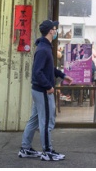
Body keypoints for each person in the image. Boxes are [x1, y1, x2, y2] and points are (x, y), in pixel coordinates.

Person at [19, 19, 72, 161]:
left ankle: (25, 148)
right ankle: (48, 151)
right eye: (55, 29)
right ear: (51, 31)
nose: (56, 31)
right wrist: (49, 87)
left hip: (38, 90)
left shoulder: (45, 47)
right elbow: (38, 72)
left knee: (34, 120)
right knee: (47, 121)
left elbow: (48, 69)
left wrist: (63, 75)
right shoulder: (43, 49)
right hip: (42, 91)